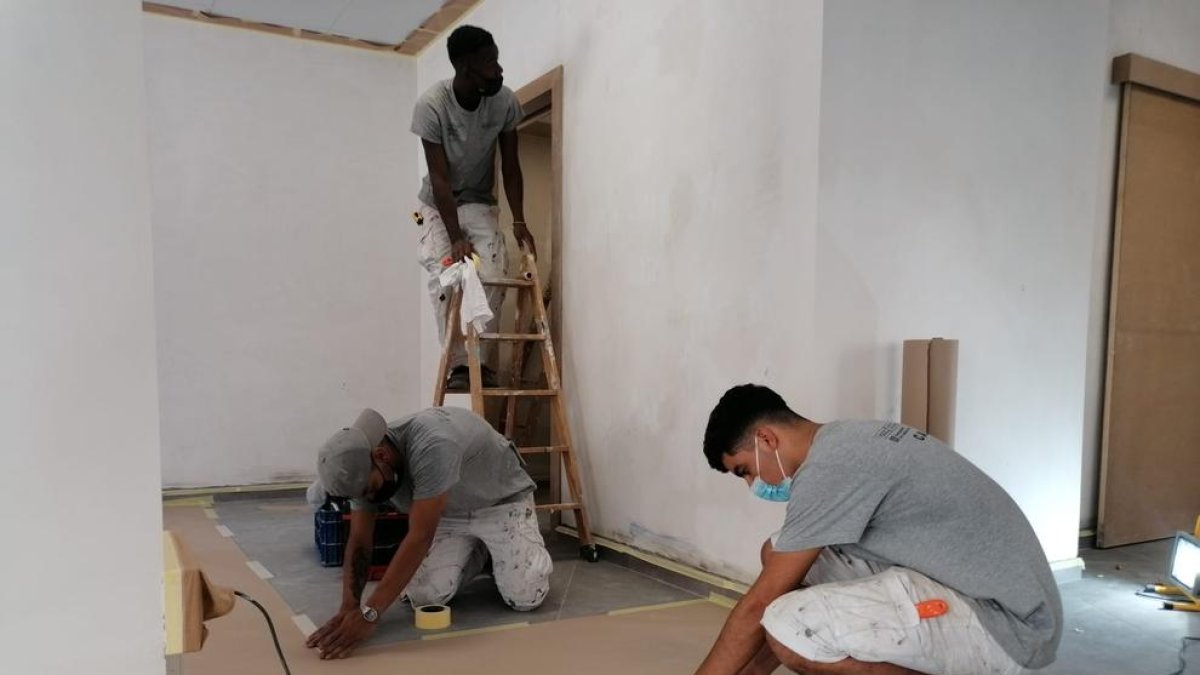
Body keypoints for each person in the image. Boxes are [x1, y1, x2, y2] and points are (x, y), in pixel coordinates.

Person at [695, 384, 1061, 675]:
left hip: (1008, 629)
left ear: (766, 440)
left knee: (789, 628)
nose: (753, 485)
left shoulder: (829, 470)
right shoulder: (843, 439)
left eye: (745, 471)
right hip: (979, 588)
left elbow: (759, 602)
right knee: (777, 552)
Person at [305, 407, 552, 660]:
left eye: (371, 490)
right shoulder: (361, 470)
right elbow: (359, 540)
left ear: (381, 455)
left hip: (500, 502)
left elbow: (420, 536)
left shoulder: (433, 443)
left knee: (525, 596)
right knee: (424, 597)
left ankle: (511, 550)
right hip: (448, 512)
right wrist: (349, 607)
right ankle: (482, 553)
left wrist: (371, 614)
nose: (369, 499)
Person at [412, 24, 534, 390]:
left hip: (479, 201)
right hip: (437, 204)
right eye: (489, 64)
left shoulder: (505, 103)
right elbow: (439, 178)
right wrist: (454, 239)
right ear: (465, 67)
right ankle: (458, 365)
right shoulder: (432, 107)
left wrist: (519, 221)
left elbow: (511, 167)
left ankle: (480, 359)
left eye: (496, 61)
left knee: (493, 270)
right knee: (446, 278)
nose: (498, 70)